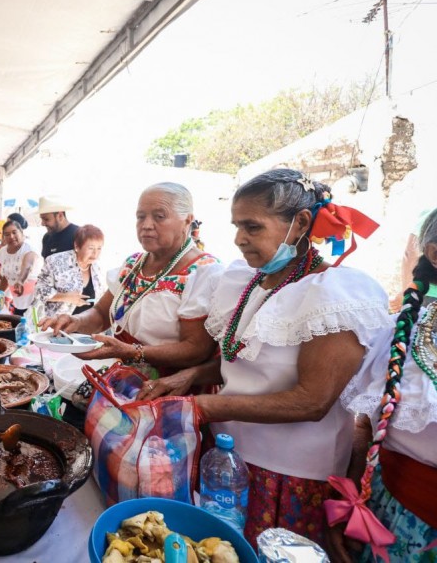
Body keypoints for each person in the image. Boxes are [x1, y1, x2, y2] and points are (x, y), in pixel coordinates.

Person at [138, 170, 390, 554]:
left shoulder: (334, 296)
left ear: (300, 223)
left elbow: (312, 400)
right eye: (237, 226)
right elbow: (243, 361)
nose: (239, 239)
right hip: (225, 461)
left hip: (289, 475)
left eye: (252, 227)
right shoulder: (247, 282)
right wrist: (190, 376)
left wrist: (201, 405)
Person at [330, 207, 437, 563]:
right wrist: (350, 506)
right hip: (400, 524)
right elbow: (366, 424)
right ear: (435, 254)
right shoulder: (398, 336)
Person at [40, 182, 222, 381]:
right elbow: (102, 313)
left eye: (159, 217)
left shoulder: (203, 271)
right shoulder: (134, 264)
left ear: (187, 220)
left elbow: (196, 349)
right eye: (140, 217)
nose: (146, 225)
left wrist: (132, 352)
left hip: (171, 390)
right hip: (128, 381)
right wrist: (76, 321)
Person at [34, 224, 104, 317]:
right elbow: (39, 290)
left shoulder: (97, 267)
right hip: (59, 324)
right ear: (77, 246)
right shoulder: (55, 261)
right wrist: (67, 297)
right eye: (91, 248)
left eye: (99, 248)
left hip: (87, 325)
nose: (95, 253)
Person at [0, 220, 39, 315]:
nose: (11, 236)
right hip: (17, 301)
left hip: (34, 301)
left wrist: (20, 281)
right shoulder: (2, 251)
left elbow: (27, 266)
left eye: (14, 232)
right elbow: (7, 276)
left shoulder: (29, 247)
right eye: (7, 234)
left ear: (21, 232)